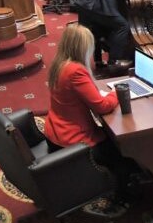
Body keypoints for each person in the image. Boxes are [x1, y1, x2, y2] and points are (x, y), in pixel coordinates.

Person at [43, 24, 136, 202]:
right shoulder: (75, 71)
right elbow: (102, 106)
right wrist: (117, 91)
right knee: (125, 151)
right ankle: (124, 195)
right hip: (73, 141)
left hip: (55, 132)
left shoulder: (59, 64)